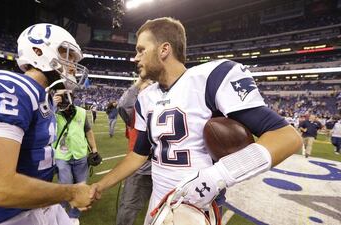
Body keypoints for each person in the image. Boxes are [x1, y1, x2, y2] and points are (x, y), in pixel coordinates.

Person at [90, 17, 302, 224]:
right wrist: (100, 186)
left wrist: (217, 176)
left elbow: (287, 138)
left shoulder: (212, 77)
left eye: (141, 50)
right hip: (159, 202)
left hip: (198, 205)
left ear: (164, 50)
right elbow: (137, 155)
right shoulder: (145, 97)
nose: (135, 58)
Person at [0, 23, 94, 225]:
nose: (72, 65)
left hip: (35, 205)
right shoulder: (11, 88)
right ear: (38, 51)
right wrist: (70, 192)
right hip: (6, 216)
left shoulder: (44, 97)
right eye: (67, 55)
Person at [53, 91, 100, 225]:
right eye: (57, 95)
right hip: (62, 155)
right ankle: (61, 212)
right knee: (65, 185)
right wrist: (52, 107)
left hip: (80, 154)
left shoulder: (81, 111)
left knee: (81, 186)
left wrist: (94, 149)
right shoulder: (53, 112)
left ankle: (73, 215)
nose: (60, 98)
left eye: (63, 96)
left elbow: (88, 131)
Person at [116, 78, 152, 225]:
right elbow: (123, 105)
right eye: (146, 88)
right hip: (140, 168)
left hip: (164, 168)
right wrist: (139, 83)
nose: (150, 90)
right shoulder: (135, 112)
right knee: (129, 207)